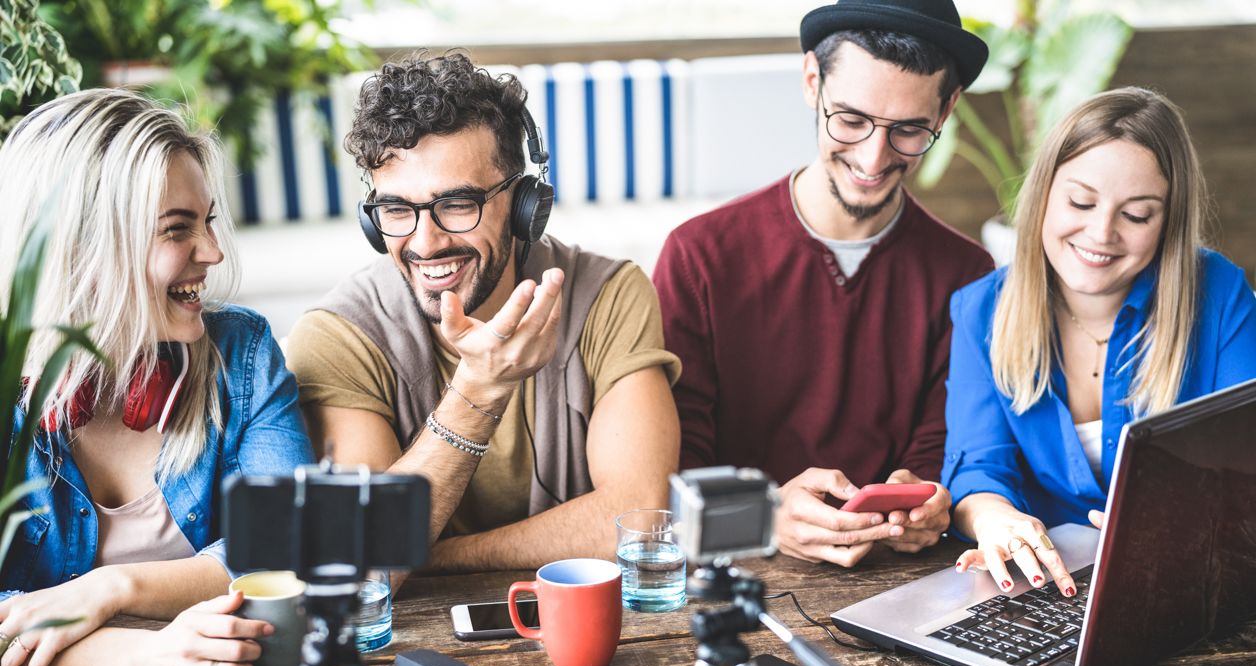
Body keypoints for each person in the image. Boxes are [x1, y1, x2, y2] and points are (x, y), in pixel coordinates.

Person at [285, 53, 680, 572]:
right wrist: (479, 388)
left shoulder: (609, 295)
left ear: (525, 205)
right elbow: (366, 561)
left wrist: (433, 556)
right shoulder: (336, 336)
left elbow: (639, 517)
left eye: (456, 205)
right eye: (397, 210)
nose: (425, 243)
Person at [653, 0, 993, 567]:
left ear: (946, 110)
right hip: (732, 575)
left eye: (908, 130)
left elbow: (949, 452)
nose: (872, 157)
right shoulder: (699, 257)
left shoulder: (968, 276)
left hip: (901, 580)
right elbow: (668, 472)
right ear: (812, 81)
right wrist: (764, 515)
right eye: (852, 120)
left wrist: (931, 503)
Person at [0, 89, 314, 666]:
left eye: (209, 220)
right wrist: (141, 656)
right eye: (178, 230)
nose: (214, 253)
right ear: (84, 250)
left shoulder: (242, 353)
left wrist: (114, 588)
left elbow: (293, 542)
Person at [947, 87, 1256, 595]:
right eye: (1080, 201)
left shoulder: (1219, 295)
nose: (1101, 232)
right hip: (1043, 583)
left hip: (1189, 580)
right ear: (1044, 192)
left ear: (1168, 222)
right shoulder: (981, 310)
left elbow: (1244, 470)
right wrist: (995, 519)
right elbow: (978, 465)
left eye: (1136, 215)